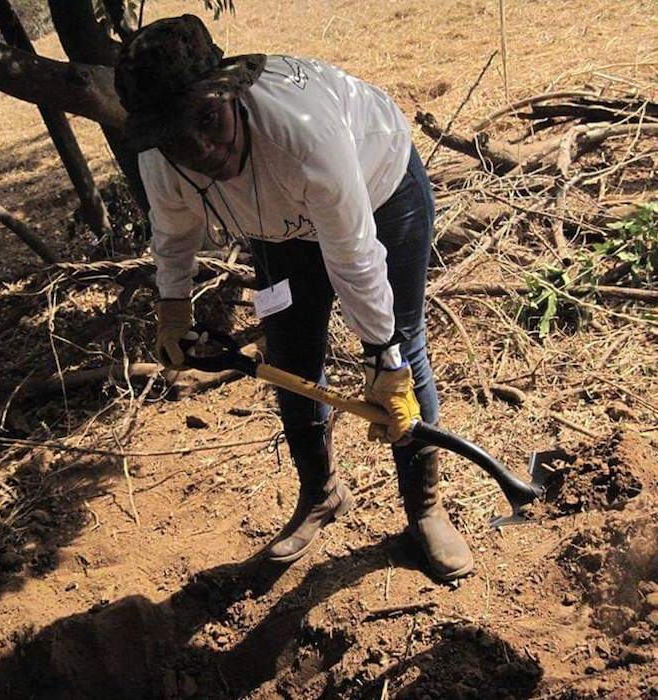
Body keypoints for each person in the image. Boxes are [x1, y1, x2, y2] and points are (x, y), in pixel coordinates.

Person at [114, 14, 473, 581]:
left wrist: (382, 360)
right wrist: (173, 309)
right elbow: (173, 231)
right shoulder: (162, 159)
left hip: (379, 193)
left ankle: (425, 508)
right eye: (177, 136)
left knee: (402, 349)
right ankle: (322, 494)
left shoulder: (304, 136)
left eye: (207, 120)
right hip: (279, 226)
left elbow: (355, 256)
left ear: (231, 94)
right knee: (289, 353)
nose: (200, 147)